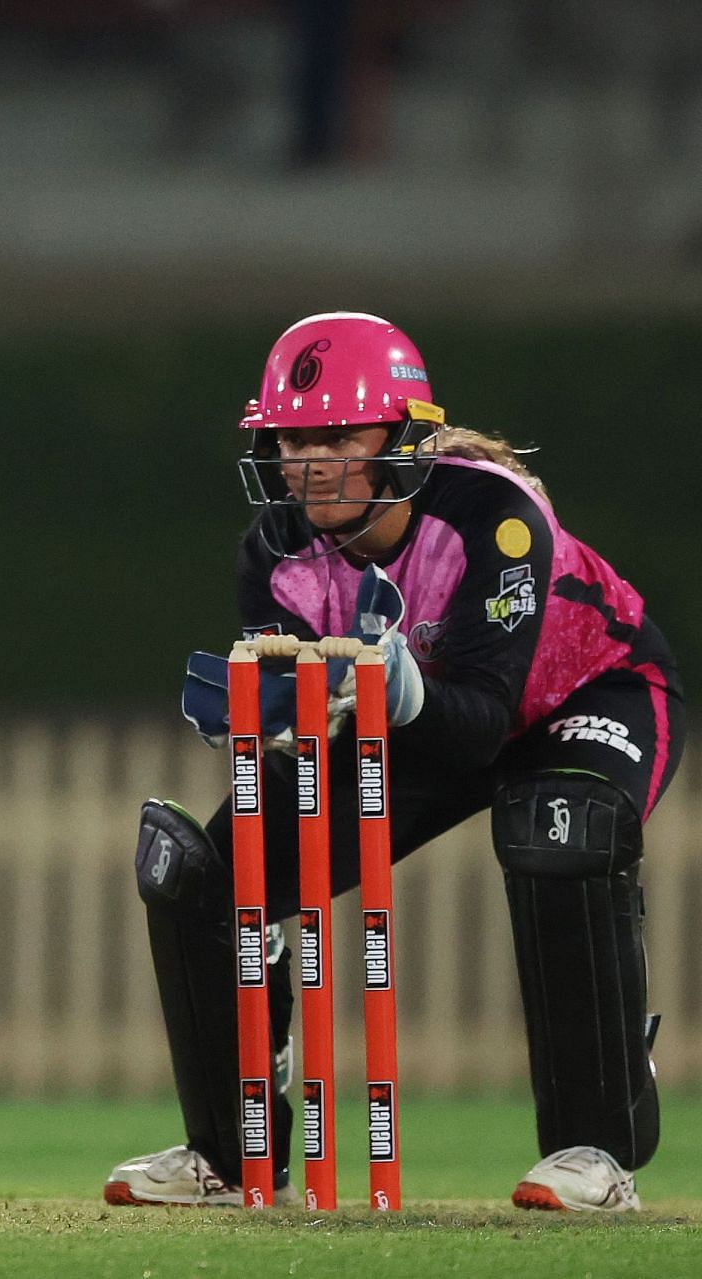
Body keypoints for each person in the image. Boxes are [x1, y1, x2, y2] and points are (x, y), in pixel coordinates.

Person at [105, 312, 683, 1212]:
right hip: (416, 718)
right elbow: (316, 708)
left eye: (340, 434)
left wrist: (400, 691)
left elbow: (483, 722)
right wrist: (272, 716)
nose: (311, 461)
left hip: (586, 695)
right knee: (207, 872)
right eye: (293, 438)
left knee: (557, 830)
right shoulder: (276, 552)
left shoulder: (495, 514)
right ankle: (229, 1153)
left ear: (403, 441)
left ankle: (596, 1150)